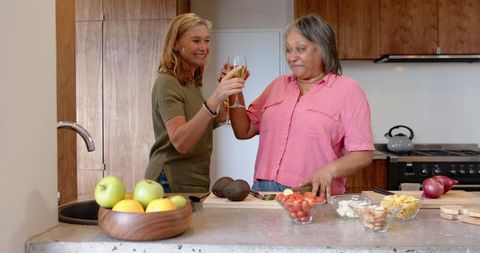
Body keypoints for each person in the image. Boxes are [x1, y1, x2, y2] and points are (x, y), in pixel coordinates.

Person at [228, 14, 374, 197]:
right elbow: (243, 131)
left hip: (312, 194)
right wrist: (234, 90)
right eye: (288, 50)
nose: (292, 57)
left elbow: (362, 154)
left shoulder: (348, 90)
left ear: (322, 49)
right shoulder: (277, 86)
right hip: (264, 192)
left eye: (301, 49)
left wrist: (329, 170)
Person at [145, 13, 245, 193]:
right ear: (175, 44)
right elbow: (181, 142)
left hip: (195, 180)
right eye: (196, 41)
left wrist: (227, 88)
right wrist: (214, 99)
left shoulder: (190, 82)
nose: (204, 47)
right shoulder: (168, 82)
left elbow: (215, 118)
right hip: (170, 181)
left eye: (207, 41)